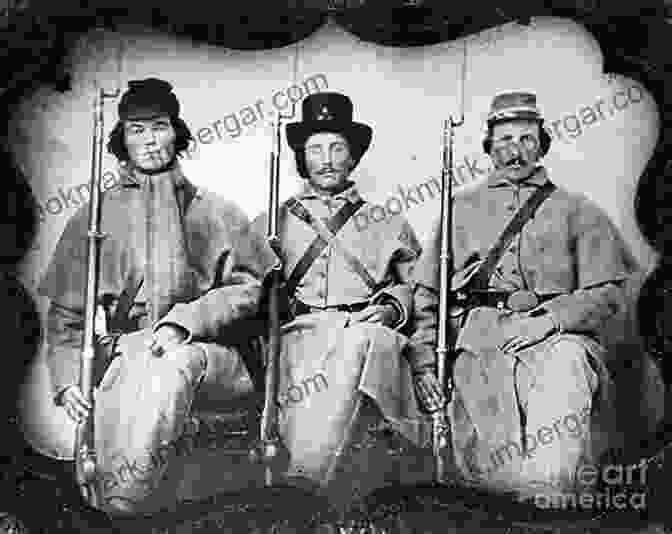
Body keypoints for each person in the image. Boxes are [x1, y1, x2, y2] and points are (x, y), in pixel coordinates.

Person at [37, 78, 266, 514]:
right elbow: (65, 318)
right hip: (129, 351)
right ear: (121, 140)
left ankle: (124, 507)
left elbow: (251, 292)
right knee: (141, 364)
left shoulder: (217, 210)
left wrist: (186, 322)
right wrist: (67, 381)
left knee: (171, 363)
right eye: (136, 130)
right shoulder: (95, 217)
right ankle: (117, 500)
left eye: (158, 126)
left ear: (176, 133)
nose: (149, 140)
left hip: (210, 354)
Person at [409, 91, 641, 503]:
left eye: (526, 139)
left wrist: (551, 320)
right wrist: (426, 363)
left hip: (555, 337)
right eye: (504, 141)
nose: (515, 151)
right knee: (494, 468)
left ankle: (547, 506)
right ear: (488, 148)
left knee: (566, 371)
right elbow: (428, 296)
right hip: (479, 345)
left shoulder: (577, 210)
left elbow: (608, 291)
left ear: (542, 144)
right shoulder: (458, 209)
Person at [251, 92, 432, 513]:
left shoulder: (387, 222)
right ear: (302, 156)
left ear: (353, 156)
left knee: (359, 342)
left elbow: (421, 291)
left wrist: (390, 305)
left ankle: (306, 490)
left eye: (337, 147)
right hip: (300, 340)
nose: (327, 159)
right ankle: (312, 498)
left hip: (370, 337)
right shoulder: (271, 223)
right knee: (316, 377)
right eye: (315, 148)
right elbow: (244, 293)